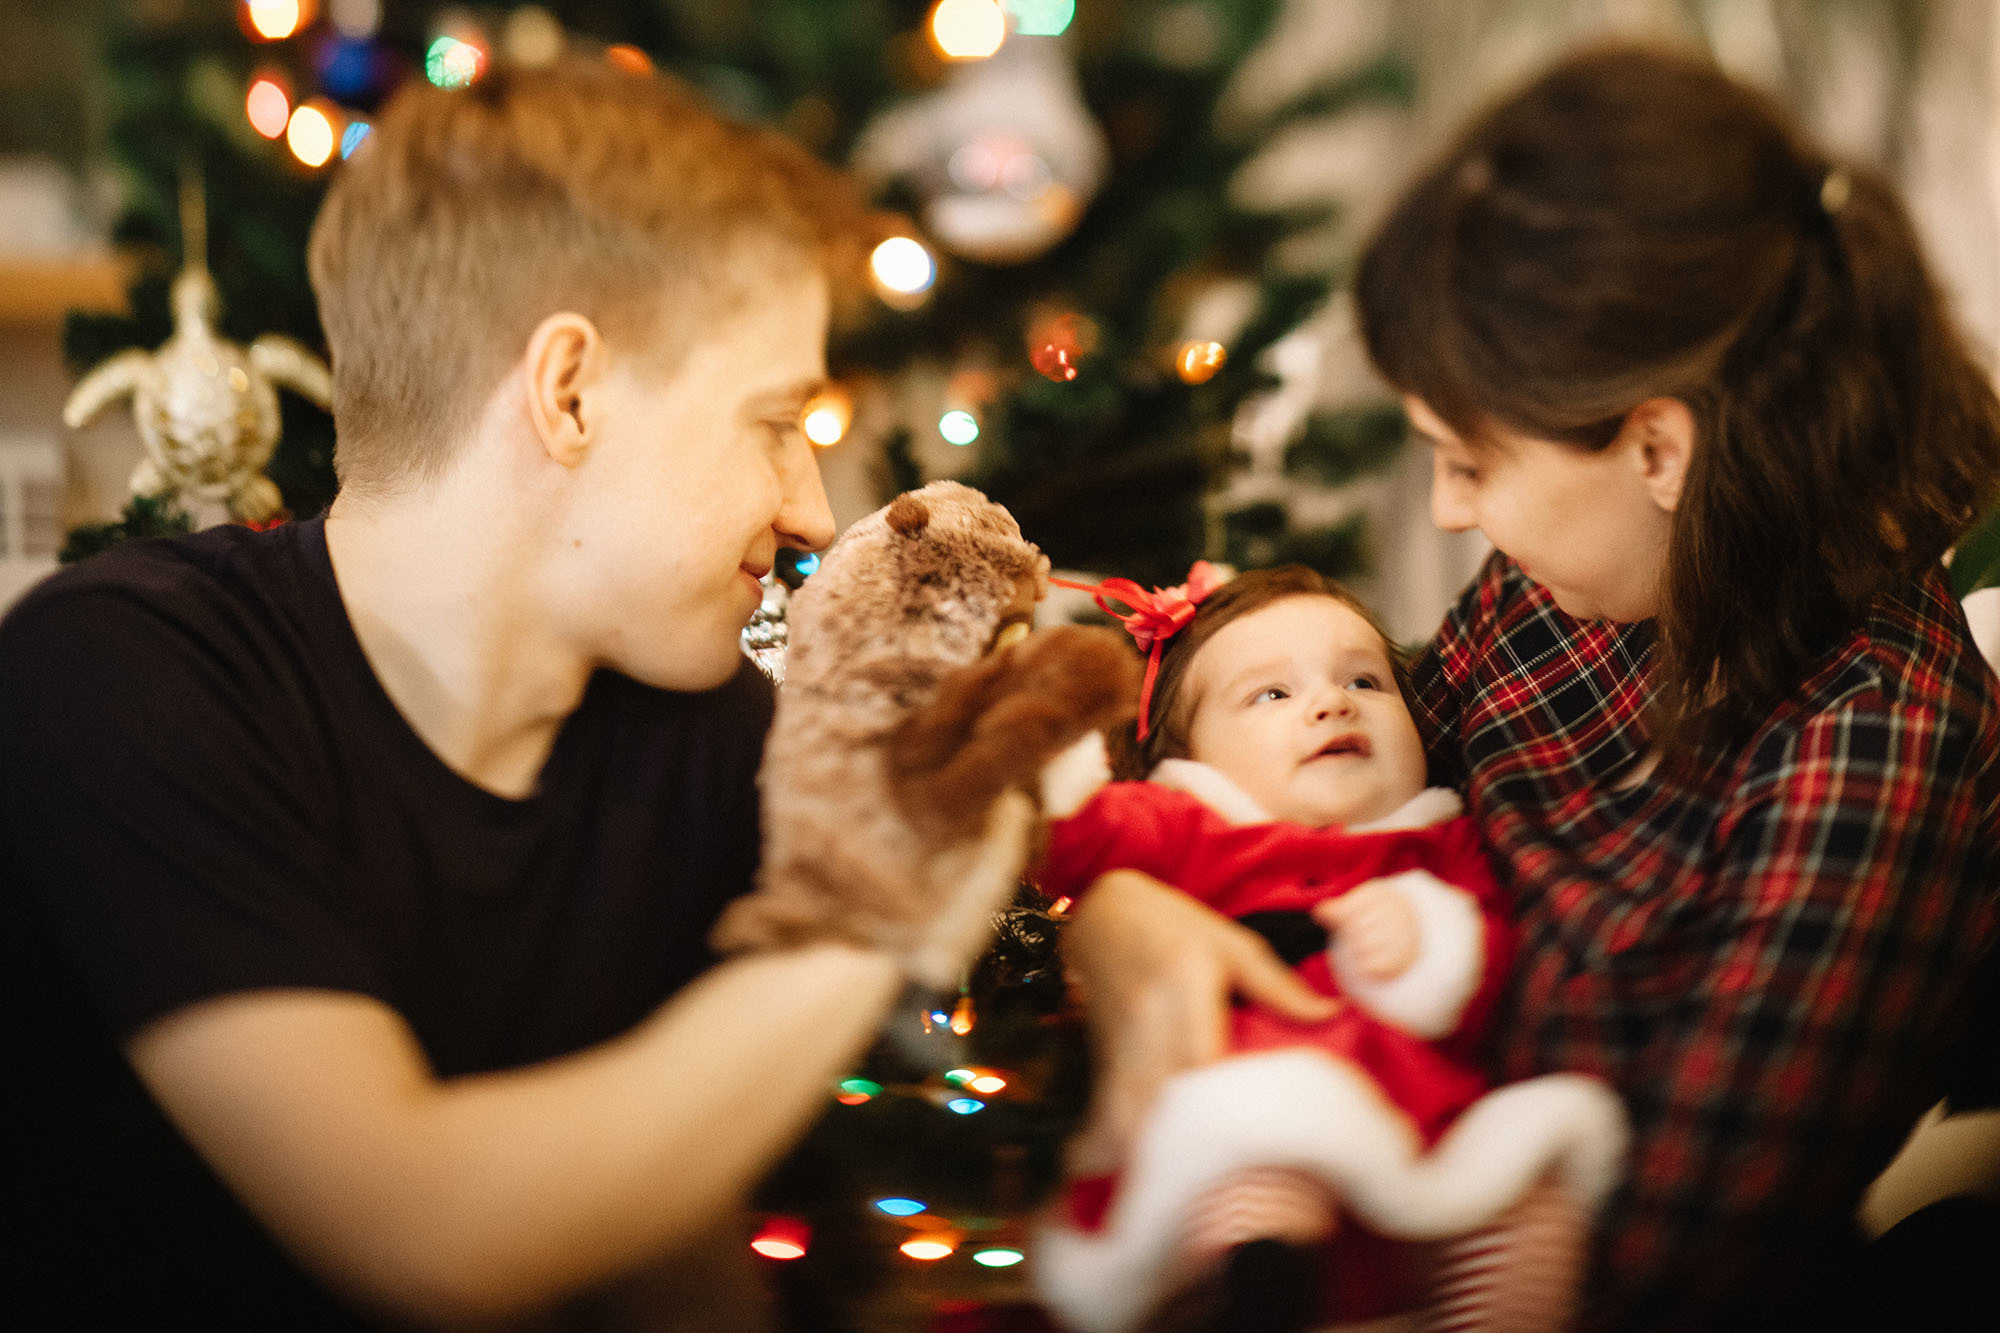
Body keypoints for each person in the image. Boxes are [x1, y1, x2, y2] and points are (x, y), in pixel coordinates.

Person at [0, 61, 973, 1329]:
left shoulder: (698, 734)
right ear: (567, 391)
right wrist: (880, 905)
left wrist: (1124, 910)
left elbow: (658, 1230)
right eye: (775, 420)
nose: (812, 510)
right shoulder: (120, 670)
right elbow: (423, 1236)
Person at [1058, 43, 2000, 1332]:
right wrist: (1118, 907)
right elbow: (1309, 794)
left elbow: (1662, 1268)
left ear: (1657, 448)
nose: (1447, 513)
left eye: (1468, 462)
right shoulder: (1557, 598)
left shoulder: (1872, 753)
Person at [1032, 564, 1625, 1333]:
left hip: (1418, 1127)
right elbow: (1062, 833)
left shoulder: (1441, 842)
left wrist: (1423, 934)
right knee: (1255, 1178)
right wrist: (1048, 766)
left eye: (1366, 682)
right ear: (1190, 761)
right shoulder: (1187, 827)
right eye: (1270, 693)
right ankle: (1265, 1290)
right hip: (1244, 1116)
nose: (1332, 701)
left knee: (1536, 1198)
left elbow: (1490, 964)